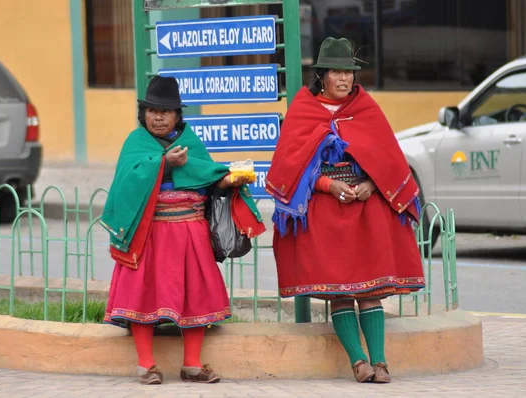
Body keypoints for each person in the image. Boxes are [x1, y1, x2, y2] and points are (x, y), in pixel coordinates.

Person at [266, 37, 425, 383]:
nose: (344, 79)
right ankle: (358, 362)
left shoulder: (366, 107)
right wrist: (328, 185)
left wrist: (371, 182)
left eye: (349, 72)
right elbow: (291, 166)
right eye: (336, 72)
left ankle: (380, 362)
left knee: (370, 291)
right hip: (326, 211)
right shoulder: (304, 109)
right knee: (340, 291)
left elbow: (386, 157)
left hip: (367, 210)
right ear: (321, 75)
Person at [101, 76, 265, 385]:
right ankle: (146, 365)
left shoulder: (191, 143)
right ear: (143, 114)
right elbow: (125, 184)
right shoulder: (135, 143)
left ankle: (192, 364)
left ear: (178, 115)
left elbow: (207, 175)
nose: (158, 117)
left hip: (191, 231)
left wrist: (231, 181)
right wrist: (163, 164)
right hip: (148, 234)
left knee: (196, 293)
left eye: (165, 111)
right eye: (151, 110)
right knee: (141, 293)